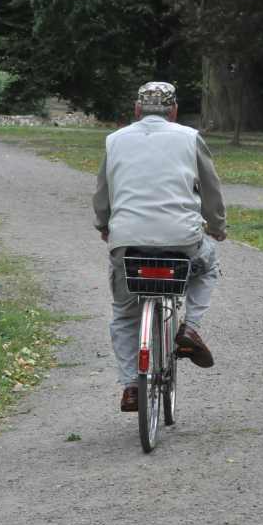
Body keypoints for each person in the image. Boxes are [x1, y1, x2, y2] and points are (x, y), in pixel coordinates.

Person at [93, 81, 226, 412]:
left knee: (125, 313)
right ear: (175, 111)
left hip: (128, 243)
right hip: (181, 240)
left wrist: (105, 226)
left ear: (137, 111)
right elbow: (211, 190)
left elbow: (102, 193)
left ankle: (130, 386)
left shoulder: (114, 141)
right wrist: (217, 227)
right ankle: (191, 329)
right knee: (207, 265)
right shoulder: (190, 138)